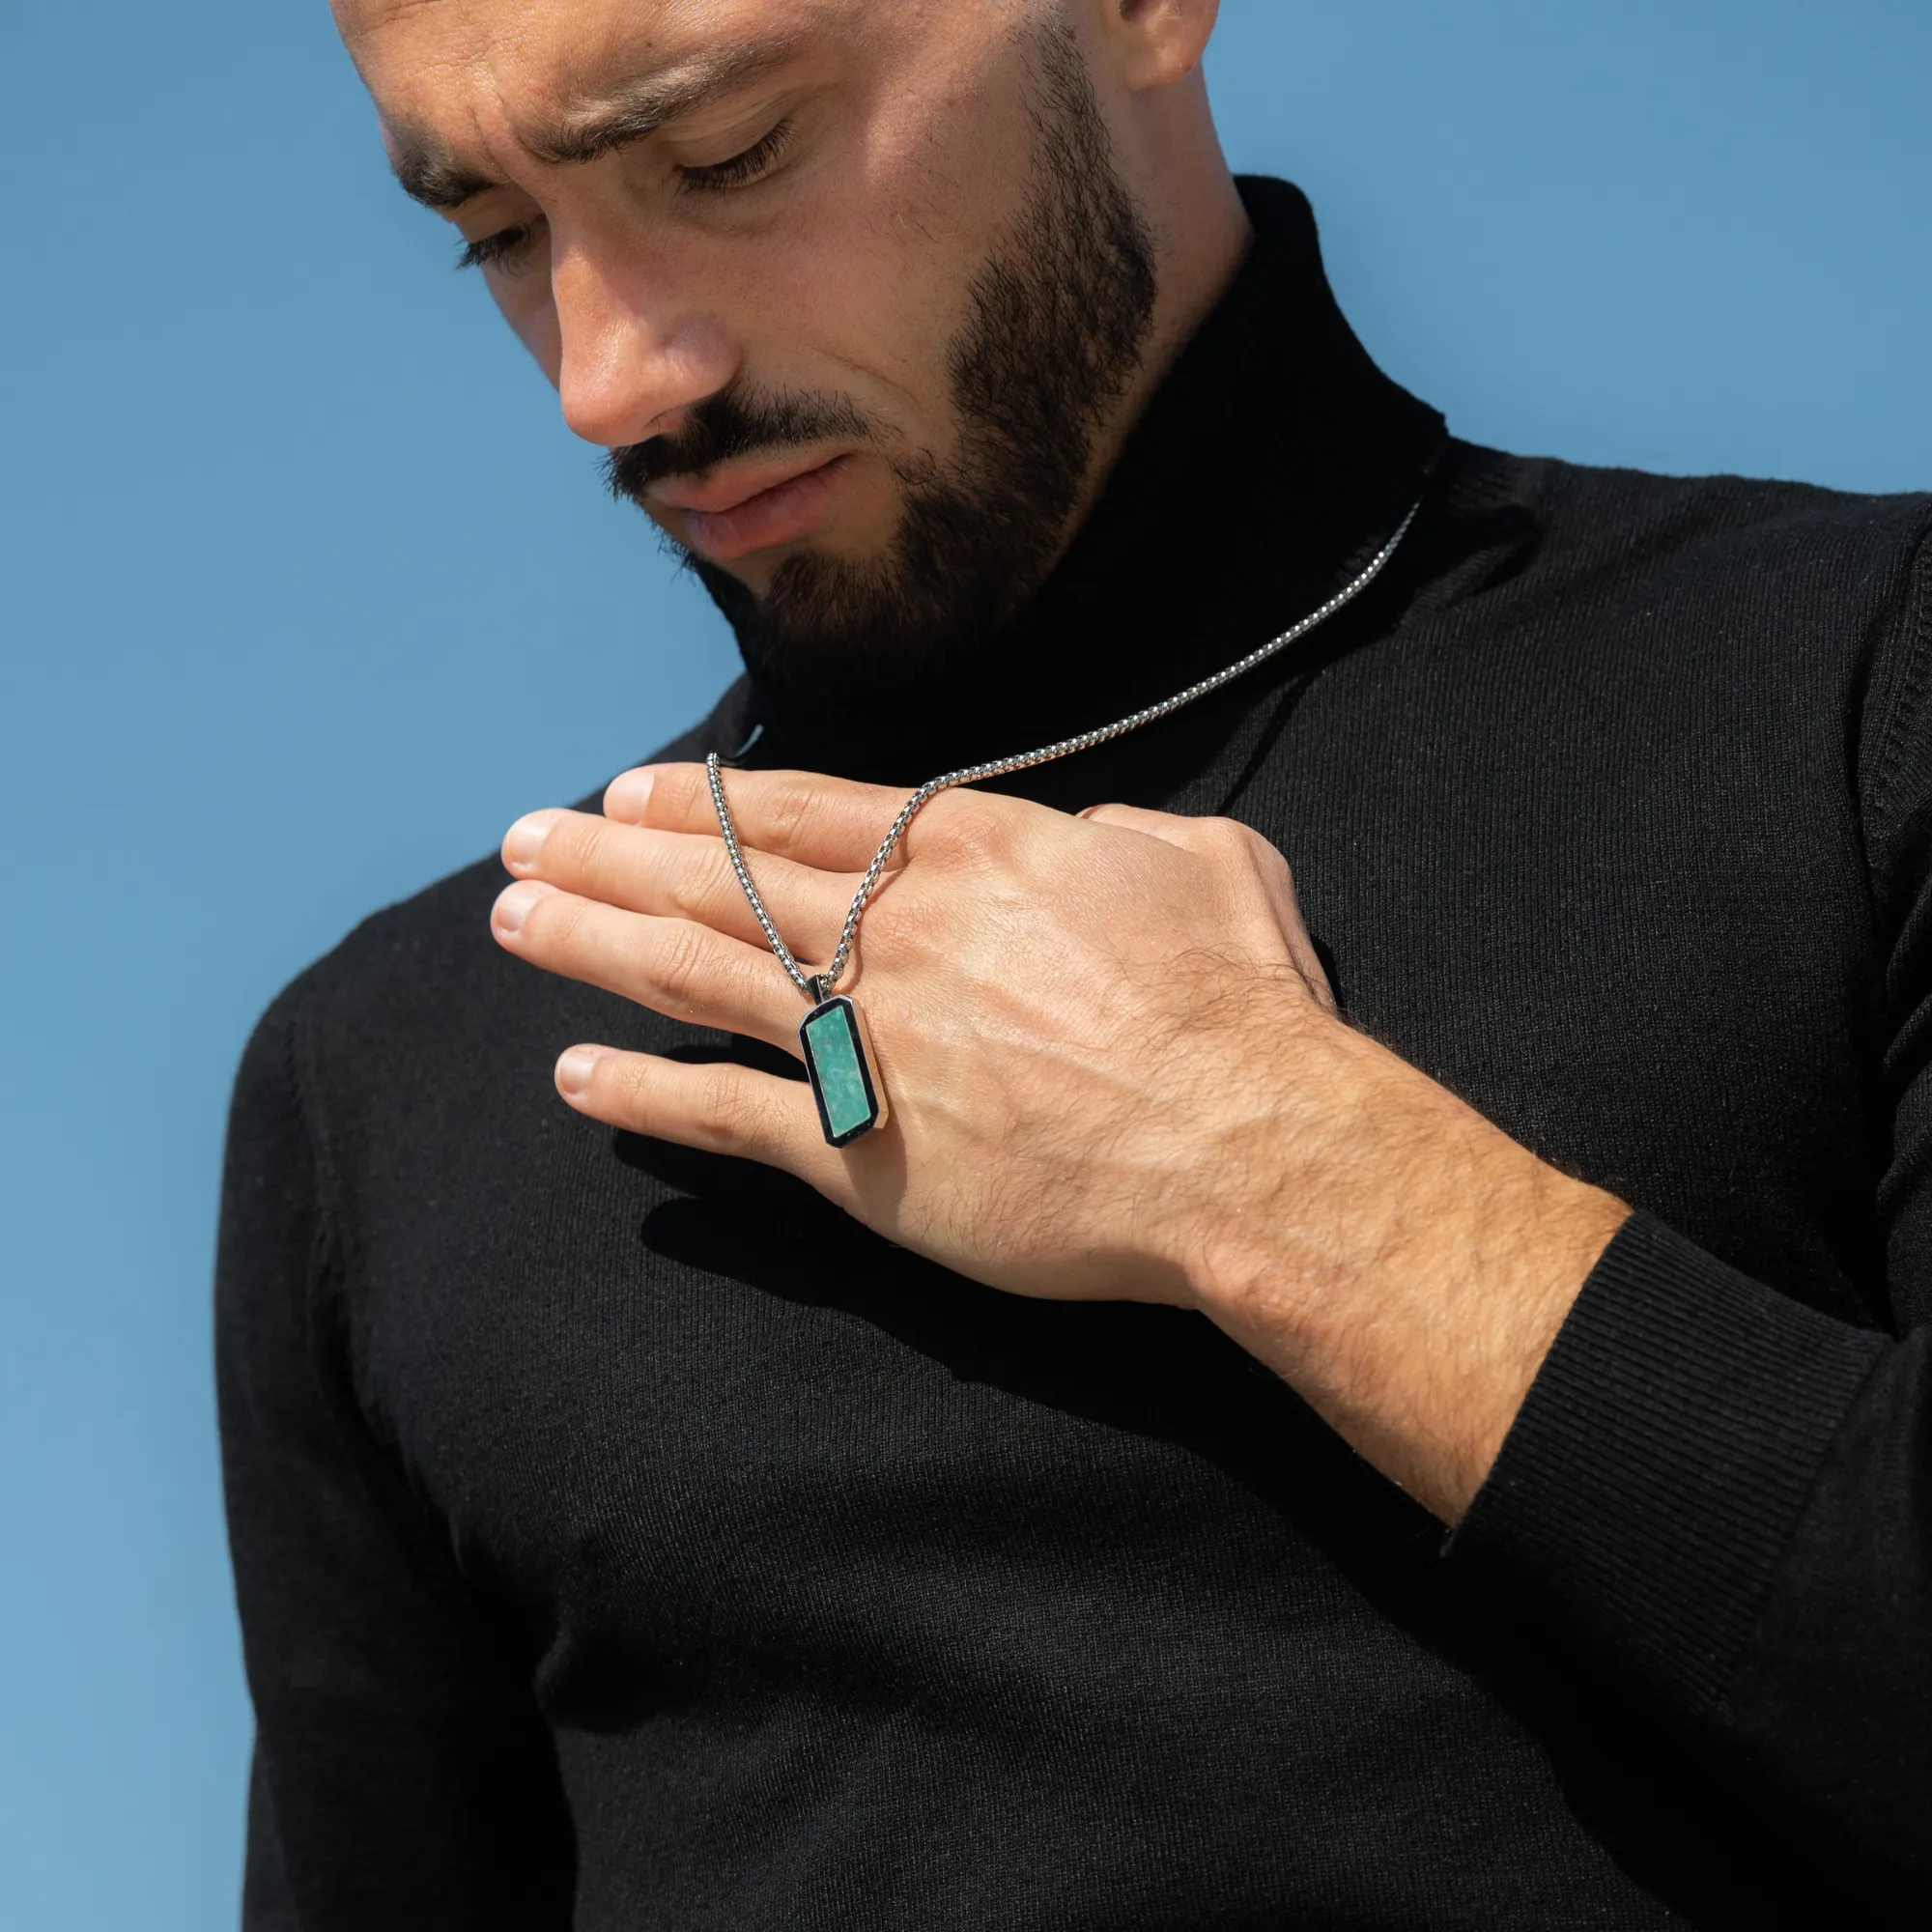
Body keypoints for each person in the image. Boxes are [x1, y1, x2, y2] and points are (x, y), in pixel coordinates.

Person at [216, 0, 1930, 1924]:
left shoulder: (1861, 687)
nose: (608, 382)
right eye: (499, 236)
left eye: (723, 157)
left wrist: (1274, 1163)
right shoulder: (387, 1080)